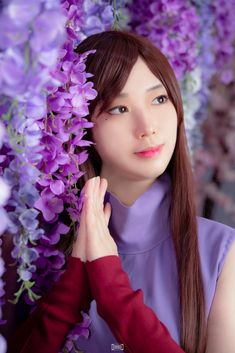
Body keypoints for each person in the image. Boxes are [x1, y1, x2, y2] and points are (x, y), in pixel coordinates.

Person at [7, 30, 235, 353]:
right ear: (80, 126)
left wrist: (112, 290)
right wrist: (71, 292)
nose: (148, 126)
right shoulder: (42, 251)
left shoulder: (221, 254)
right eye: (118, 108)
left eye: (159, 99)